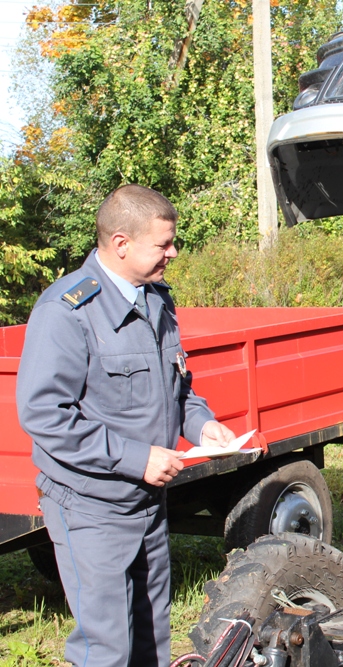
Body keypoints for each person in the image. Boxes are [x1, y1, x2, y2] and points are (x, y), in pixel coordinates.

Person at [16, 185, 235, 667]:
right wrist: (137, 458)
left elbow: (176, 388)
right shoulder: (66, 311)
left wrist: (202, 426)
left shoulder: (155, 299)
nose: (172, 253)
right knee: (106, 650)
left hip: (146, 504)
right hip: (91, 507)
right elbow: (44, 414)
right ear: (121, 243)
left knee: (151, 638)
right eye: (163, 244)